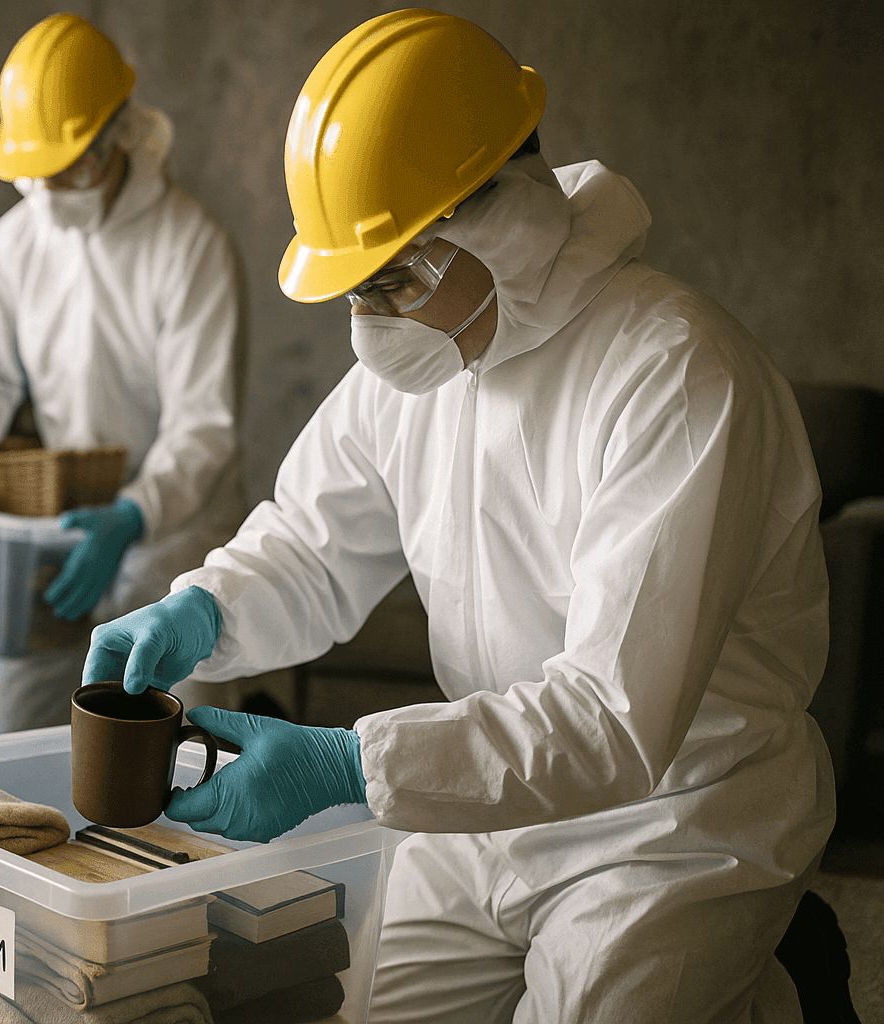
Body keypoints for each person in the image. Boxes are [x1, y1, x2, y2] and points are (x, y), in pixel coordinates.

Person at [86, 10, 834, 1021]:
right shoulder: (420, 371)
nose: (371, 326)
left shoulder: (672, 373)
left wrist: (348, 763)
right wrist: (205, 609)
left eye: (394, 275)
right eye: (356, 287)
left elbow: (612, 721)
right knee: (336, 1000)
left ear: (503, 222)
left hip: (675, 820)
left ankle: (780, 982)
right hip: (477, 812)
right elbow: (309, 542)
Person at [0, 13, 246, 733]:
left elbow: (203, 427)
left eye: (70, 163)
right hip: (54, 541)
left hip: (173, 551)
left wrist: (134, 516)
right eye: (41, 168)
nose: (53, 184)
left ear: (118, 132)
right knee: (9, 745)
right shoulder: (16, 243)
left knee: (187, 762)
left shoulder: (190, 246)